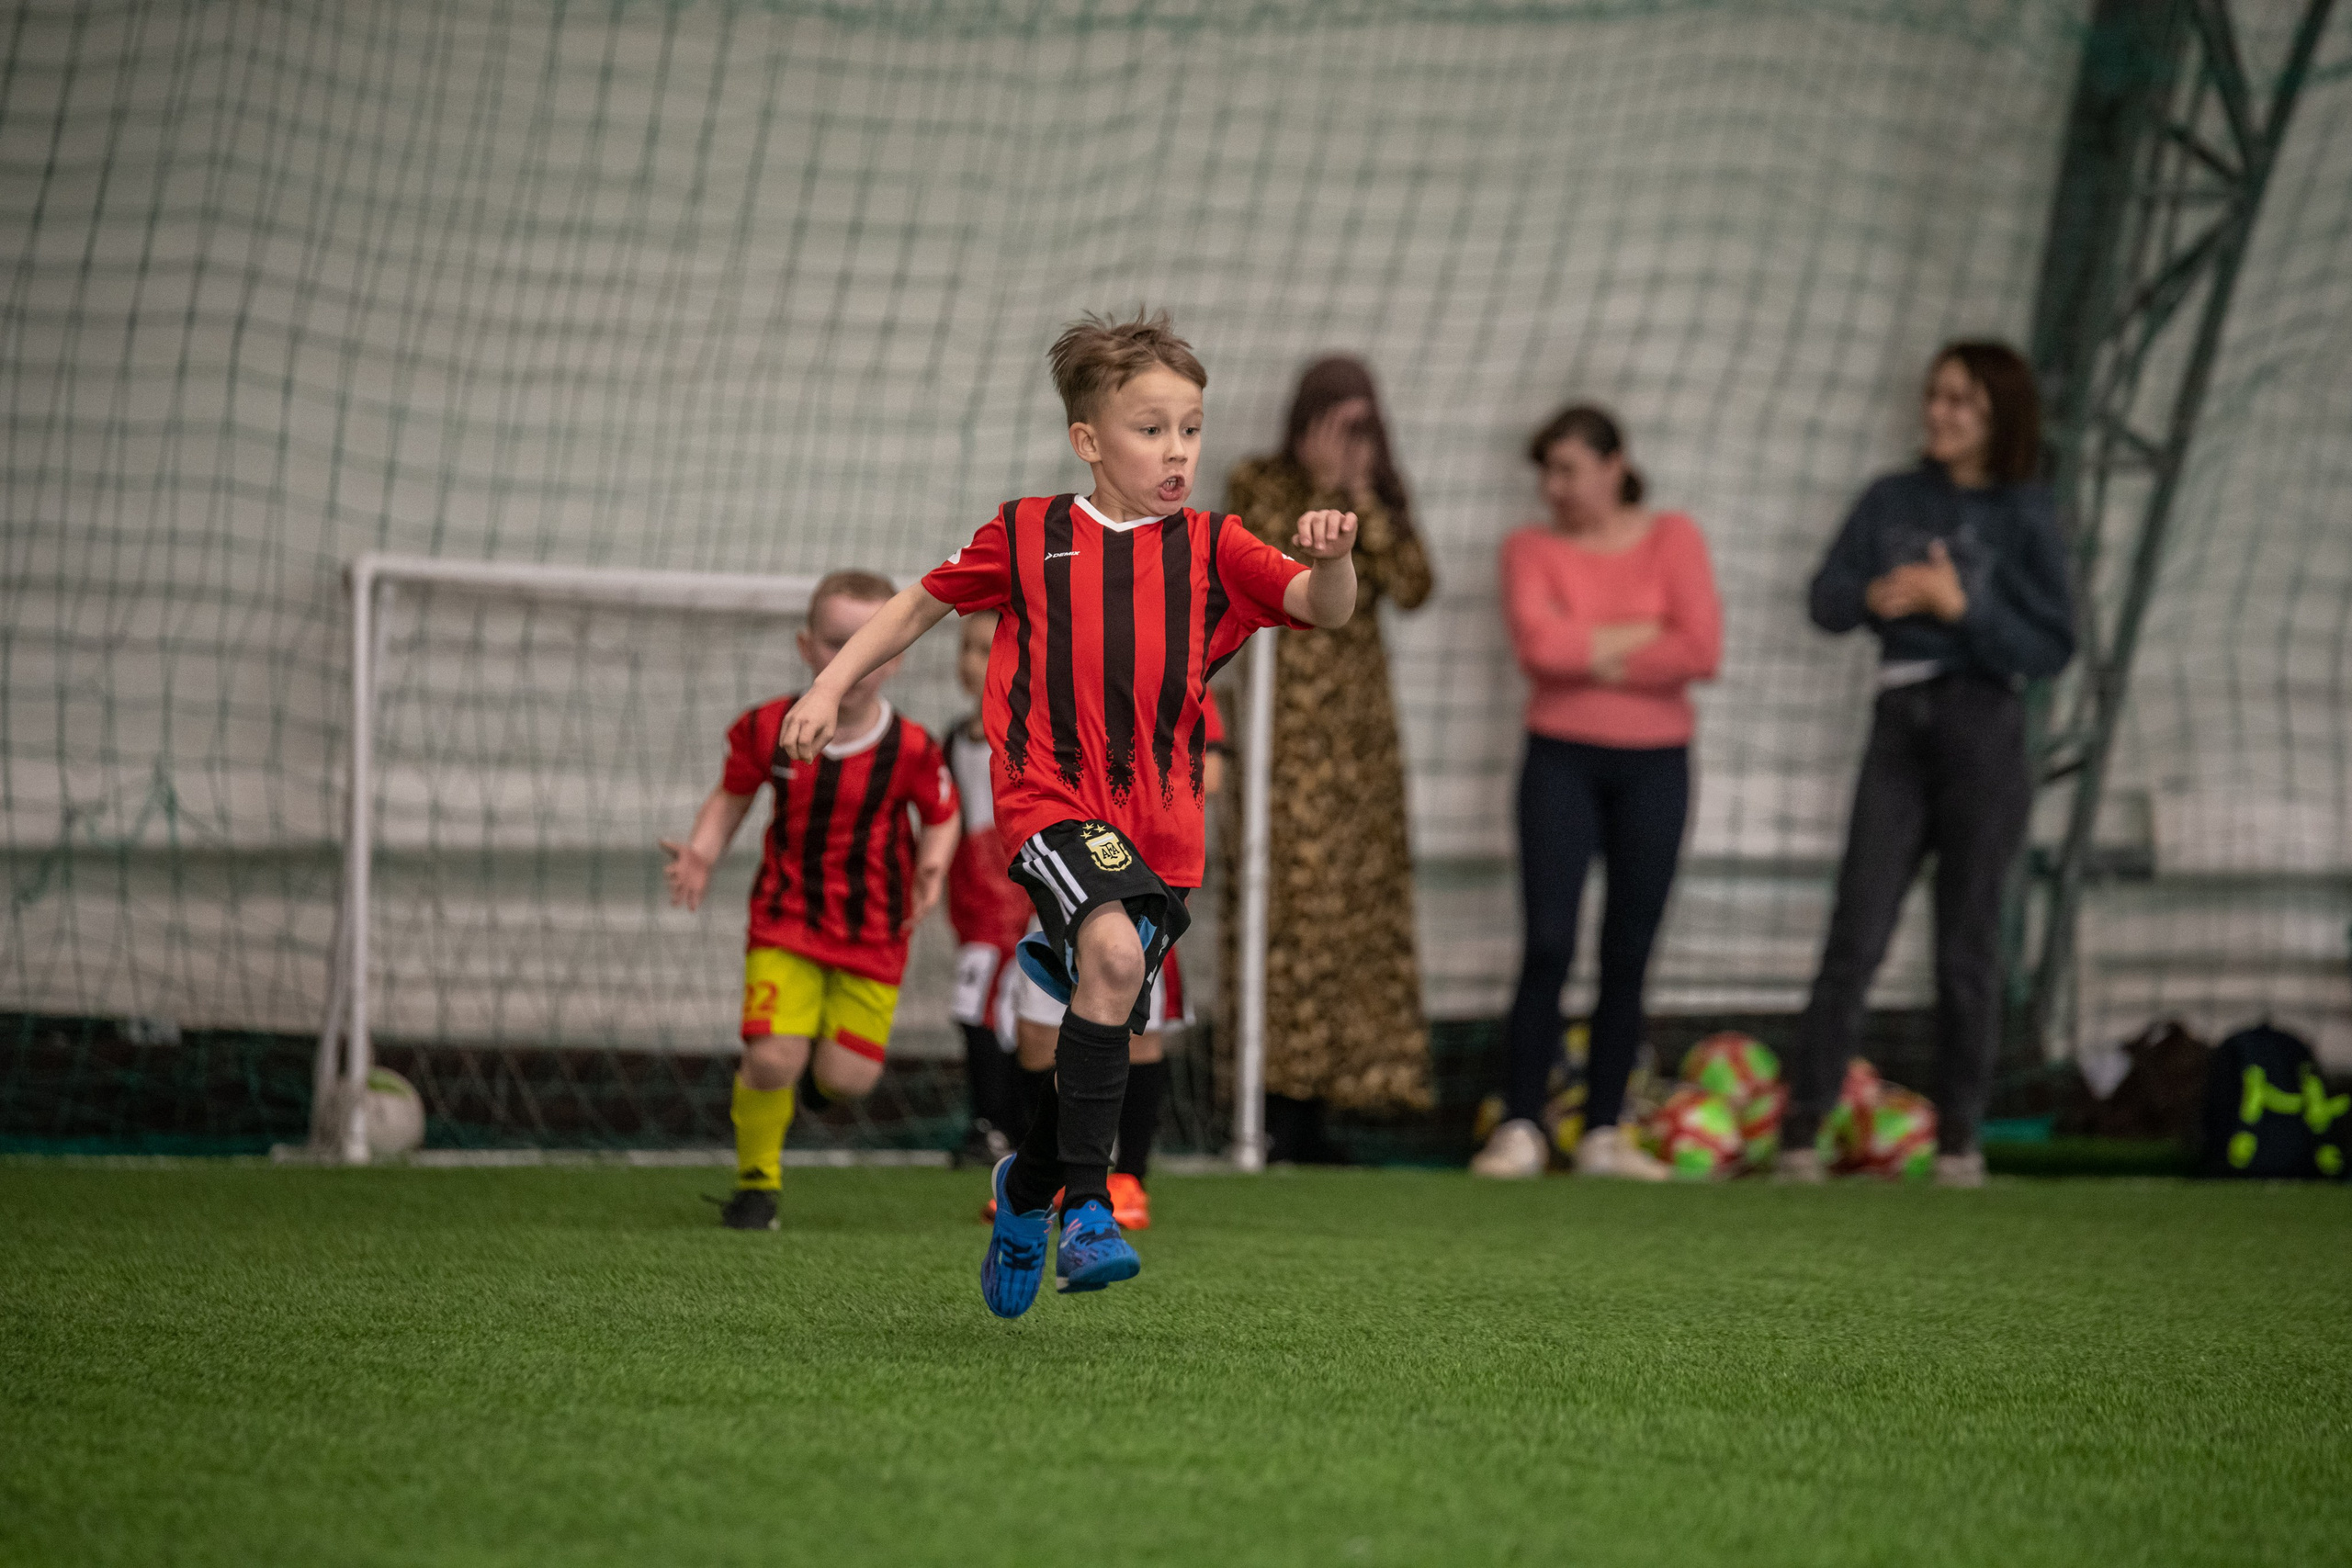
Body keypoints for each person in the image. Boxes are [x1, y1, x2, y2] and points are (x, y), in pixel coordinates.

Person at [775, 310, 1362, 1317]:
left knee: (1102, 1018)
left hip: (1164, 832)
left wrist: (1336, 555)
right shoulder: (1026, 534)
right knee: (1117, 969)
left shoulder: (1217, 547)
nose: (1175, 449)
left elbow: (1323, 607)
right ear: (1088, 440)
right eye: (1149, 428)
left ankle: (1029, 1187)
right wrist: (827, 690)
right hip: (1050, 803)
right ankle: (1088, 1209)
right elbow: (916, 604)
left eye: (1190, 427)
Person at [1782, 341, 2074, 1189]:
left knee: (1967, 945)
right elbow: (1826, 600)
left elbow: (2054, 644)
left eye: (1962, 402)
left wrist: (1964, 607)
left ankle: (1959, 1145)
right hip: (1898, 722)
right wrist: (1870, 596)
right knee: (1856, 933)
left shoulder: (2027, 512)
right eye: (1935, 396)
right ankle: (1802, 1134)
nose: (1939, 413)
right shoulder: (1890, 498)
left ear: (2000, 418)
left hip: (1983, 727)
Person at [662, 570, 961, 1231]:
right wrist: (702, 851)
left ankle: (812, 1084)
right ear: (806, 647)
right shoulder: (770, 726)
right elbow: (734, 793)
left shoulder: (911, 747)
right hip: (786, 919)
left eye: (868, 643)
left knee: (848, 1080)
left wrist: (934, 864)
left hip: (875, 930)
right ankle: (756, 1183)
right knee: (771, 1056)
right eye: (833, 643)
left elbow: (942, 810)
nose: (849, 660)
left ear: (895, 654)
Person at [1471, 406, 1721, 1180]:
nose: (1555, 487)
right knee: (1547, 942)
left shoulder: (1675, 537)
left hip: (1657, 765)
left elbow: (1702, 645)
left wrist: (1589, 646)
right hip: (1560, 762)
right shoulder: (1529, 547)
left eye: (1569, 469)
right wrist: (1643, 632)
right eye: (1546, 471)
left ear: (1616, 466)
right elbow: (1539, 649)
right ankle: (1520, 1124)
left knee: (1629, 948)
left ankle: (1605, 1130)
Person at [1221, 356, 1436, 1159]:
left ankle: (1341, 1102)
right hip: (1281, 739)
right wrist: (1319, 484)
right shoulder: (1258, 481)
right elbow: (1260, 562)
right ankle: (1272, 1101)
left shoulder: (1378, 494)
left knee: (1357, 911)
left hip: (1358, 746)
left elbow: (1414, 584)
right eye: (1335, 425)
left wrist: (1363, 494)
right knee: (1282, 912)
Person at [944, 609, 1035, 1167]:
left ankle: (1002, 1126)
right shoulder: (953, 738)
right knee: (984, 1011)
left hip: (1017, 906)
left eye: (988, 650)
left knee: (991, 1010)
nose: (973, 663)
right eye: (967, 648)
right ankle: (1000, 1125)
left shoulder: (1028, 739)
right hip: (972, 903)